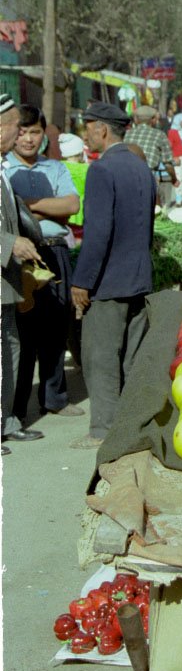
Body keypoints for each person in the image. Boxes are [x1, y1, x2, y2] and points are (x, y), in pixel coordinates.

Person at [70, 102, 157, 449]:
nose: (86, 135)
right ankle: (129, 424)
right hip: (138, 276)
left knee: (100, 356)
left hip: (108, 281)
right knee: (130, 357)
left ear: (102, 130)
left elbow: (98, 232)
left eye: (88, 128)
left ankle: (103, 431)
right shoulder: (141, 168)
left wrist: (82, 280)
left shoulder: (102, 170)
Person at [6, 105, 82, 423]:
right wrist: (51, 209)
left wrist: (30, 206)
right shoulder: (4, 169)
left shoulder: (56, 169)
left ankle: (55, 398)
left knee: (55, 327)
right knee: (22, 333)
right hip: (20, 257)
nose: (28, 139)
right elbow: (10, 213)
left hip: (55, 253)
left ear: (43, 134)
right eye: (21, 131)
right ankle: (16, 408)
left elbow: (72, 205)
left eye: (34, 132)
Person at [0, 93, 44, 452]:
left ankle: (8, 421)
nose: (20, 135)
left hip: (7, 282)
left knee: (11, 349)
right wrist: (9, 243)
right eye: (16, 127)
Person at [124, 104, 177, 206]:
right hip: (147, 180)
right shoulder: (159, 135)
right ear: (153, 120)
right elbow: (168, 164)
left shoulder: (126, 134)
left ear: (136, 119)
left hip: (125, 179)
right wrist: (174, 179)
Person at [58, 132, 88, 242]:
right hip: (82, 207)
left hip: (63, 205)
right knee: (80, 236)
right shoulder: (86, 169)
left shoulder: (59, 166)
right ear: (80, 152)